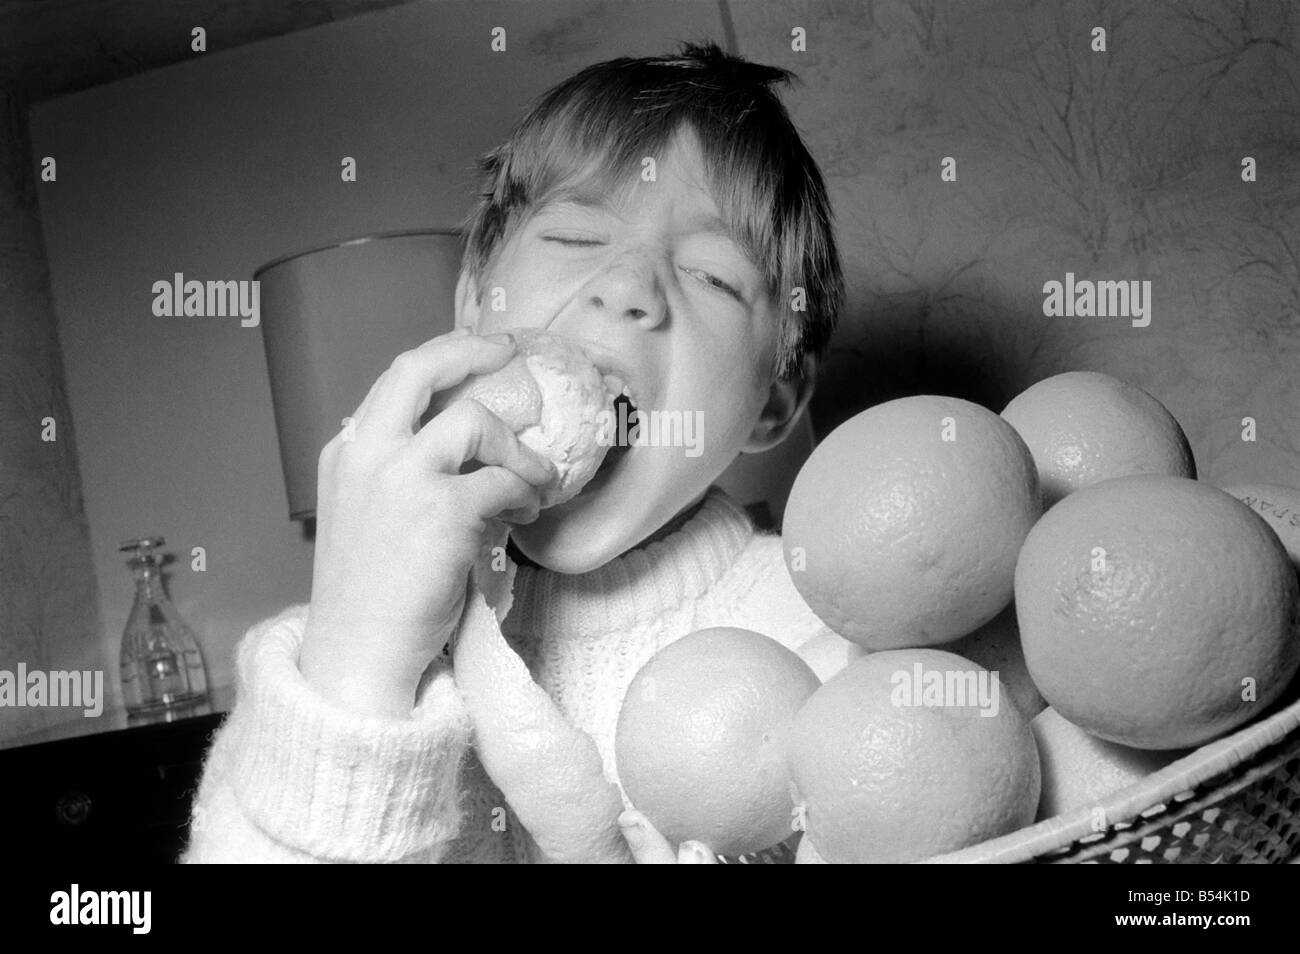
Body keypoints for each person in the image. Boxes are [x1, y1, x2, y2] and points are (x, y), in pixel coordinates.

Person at [183, 40, 857, 864]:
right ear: (473, 304)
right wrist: (359, 669)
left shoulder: (833, 634)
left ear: (777, 398)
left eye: (714, 276)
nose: (628, 288)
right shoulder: (322, 662)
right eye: (575, 237)